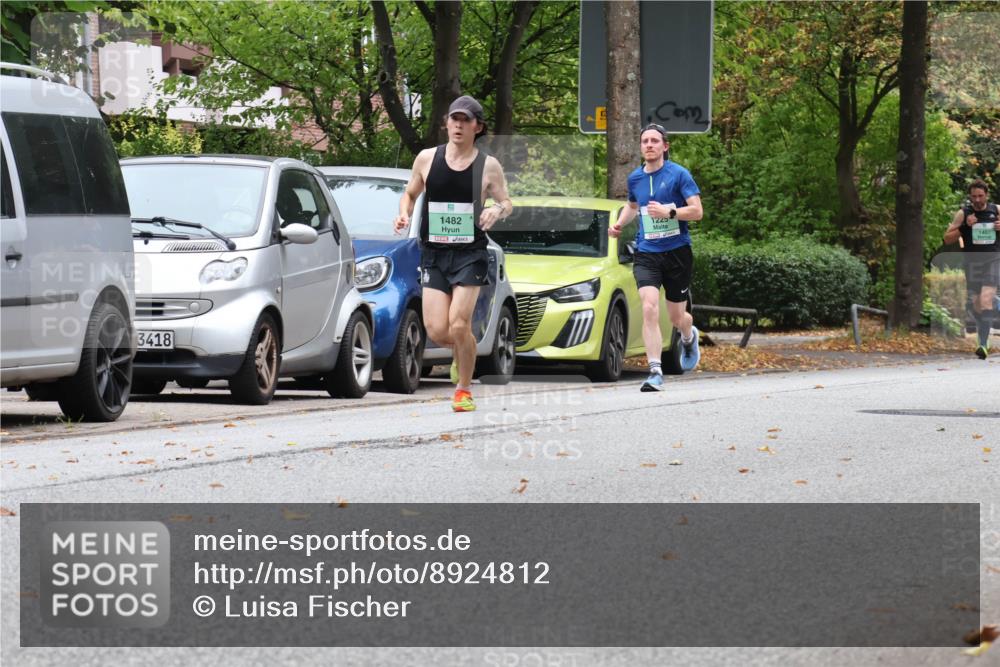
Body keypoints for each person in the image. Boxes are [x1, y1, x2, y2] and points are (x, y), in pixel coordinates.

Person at [394, 95, 512, 411]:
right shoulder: (427, 159)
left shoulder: (488, 165)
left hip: (470, 253)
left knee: (459, 324)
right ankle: (464, 352)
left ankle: (463, 390)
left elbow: (507, 202)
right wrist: (404, 213)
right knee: (437, 329)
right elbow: (410, 194)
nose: (458, 125)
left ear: (477, 127)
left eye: (465, 120)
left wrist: (496, 209)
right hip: (434, 253)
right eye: (454, 119)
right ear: (446, 123)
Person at [609, 123, 703, 391]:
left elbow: (697, 211)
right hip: (647, 252)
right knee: (649, 307)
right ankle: (655, 371)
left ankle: (688, 336)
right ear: (641, 147)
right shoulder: (635, 179)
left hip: (677, 253)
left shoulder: (679, 174)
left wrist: (669, 212)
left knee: (676, 317)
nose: (649, 145)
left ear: (665, 146)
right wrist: (619, 224)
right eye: (645, 141)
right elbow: (632, 206)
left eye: (654, 141)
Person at [943, 179, 1000, 359]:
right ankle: (996, 303)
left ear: (987, 195)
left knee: (985, 299)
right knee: (977, 304)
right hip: (972, 263)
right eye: (974, 196)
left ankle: (982, 344)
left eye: (980, 196)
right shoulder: (963, 214)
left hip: (993, 260)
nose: (977, 200)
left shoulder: (997, 210)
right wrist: (965, 226)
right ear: (970, 196)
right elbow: (947, 239)